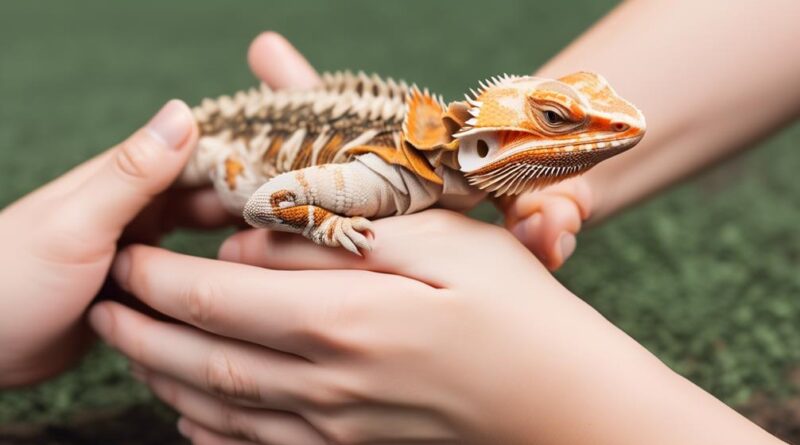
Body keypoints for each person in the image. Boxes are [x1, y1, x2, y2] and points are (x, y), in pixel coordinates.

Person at [1, 1, 798, 444]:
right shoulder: (389, 179)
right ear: (482, 140)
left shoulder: (453, 171)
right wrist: (330, 225)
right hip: (236, 149)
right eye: (555, 115)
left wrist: (562, 401)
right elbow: (262, 203)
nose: (612, 130)